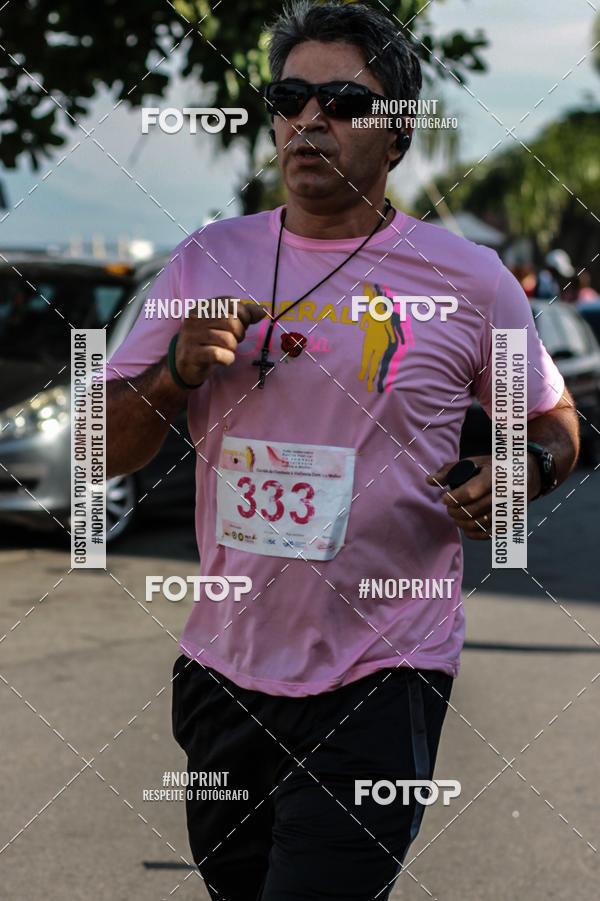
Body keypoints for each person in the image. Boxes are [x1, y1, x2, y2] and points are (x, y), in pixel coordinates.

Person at [105, 3, 580, 899]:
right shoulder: (207, 260)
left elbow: (555, 421)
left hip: (384, 671)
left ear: (397, 134)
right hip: (225, 672)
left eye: (343, 102)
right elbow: (103, 448)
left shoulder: (468, 278)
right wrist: (171, 373)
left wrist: (522, 469)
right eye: (290, 97)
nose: (310, 119)